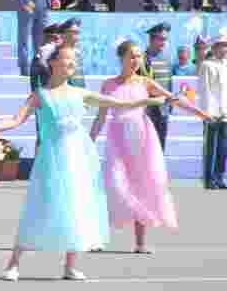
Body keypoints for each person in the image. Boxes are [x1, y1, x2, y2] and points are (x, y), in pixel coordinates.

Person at [0, 45, 164, 281]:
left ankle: (70, 266)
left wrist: (151, 100)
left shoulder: (80, 93)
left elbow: (118, 103)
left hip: (78, 158)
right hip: (52, 159)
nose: (73, 64)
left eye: (75, 60)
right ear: (53, 62)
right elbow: (15, 121)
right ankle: (14, 264)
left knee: (76, 206)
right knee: (39, 206)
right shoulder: (40, 95)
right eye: (68, 59)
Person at [90, 40, 209, 252]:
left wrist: (201, 114)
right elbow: (100, 117)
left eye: (139, 56)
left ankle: (140, 243)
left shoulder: (145, 82)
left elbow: (173, 99)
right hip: (117, 139)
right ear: (121, 58)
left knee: (141, 186)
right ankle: (98, 238)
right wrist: (89, 139)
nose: (136, 60)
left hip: (142, 137)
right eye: (132, 56)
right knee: (114, 185)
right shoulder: (108, 84)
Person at [197, 31, 227, 189]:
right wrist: (207, 113)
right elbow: (205, 91)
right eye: (221, 46)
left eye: (226, 46)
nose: (224, 49)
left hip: (225, 113)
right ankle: (209, 179)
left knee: (223, 148)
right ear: (214, 48)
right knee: (210, 148)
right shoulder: (207, 65)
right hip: (212, 114)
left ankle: (220, 177)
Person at [139, 23, 173, 152]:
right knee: (146, 147)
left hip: (163, 109)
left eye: (165, 39)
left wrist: (169, 104)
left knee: (160, 146)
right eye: (161, 39)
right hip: (147, 109)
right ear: (151, 39)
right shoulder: (142, 58)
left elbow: (168, 82)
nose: (164, 42)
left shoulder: (167, 58)